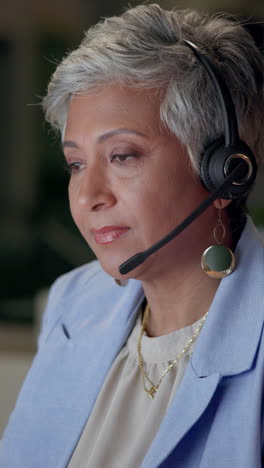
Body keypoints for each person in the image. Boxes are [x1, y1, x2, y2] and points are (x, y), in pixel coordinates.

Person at [1, 4, 264, 467]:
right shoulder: (72, 303)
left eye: (122, 156)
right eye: (76, 164)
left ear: (225, 174)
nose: (88, 197)